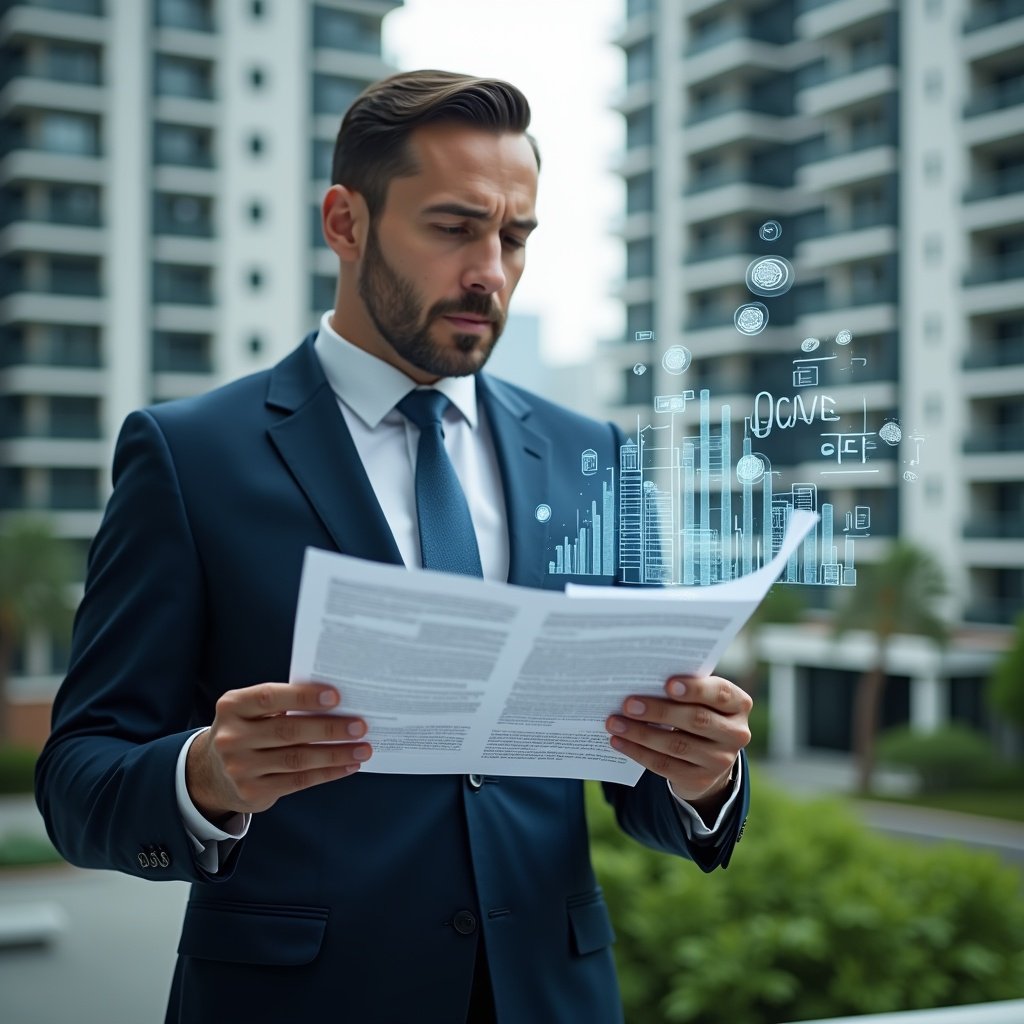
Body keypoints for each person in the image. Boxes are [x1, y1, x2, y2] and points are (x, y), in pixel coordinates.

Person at [35, 70, 752, 1023]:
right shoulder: (189, 456)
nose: (490, 271)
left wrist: (703, 776)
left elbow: (645, 790)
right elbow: (78, 777)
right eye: (455, 227)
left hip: (552, 997)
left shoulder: (593, 456)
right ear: (346, 222)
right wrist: (205, 775)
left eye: (516, 237)